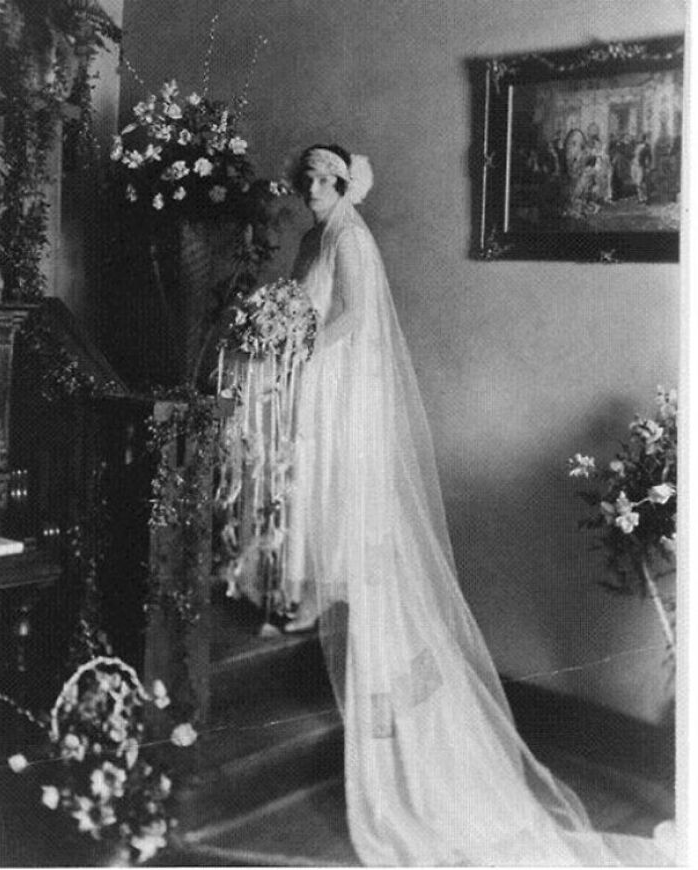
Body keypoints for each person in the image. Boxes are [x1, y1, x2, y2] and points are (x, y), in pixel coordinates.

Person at [283, 143, 674, 865]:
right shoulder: (314, 238)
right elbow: (300, 299)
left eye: (321, 178)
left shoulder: (352, 239)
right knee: (304, 489)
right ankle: (309, 593)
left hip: (337, 385)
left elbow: (354, 319)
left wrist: (299, 349)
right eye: (303, 178)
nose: (308, 187)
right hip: (315, 385)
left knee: (349, 509)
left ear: (343, 185)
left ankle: (374, 675)